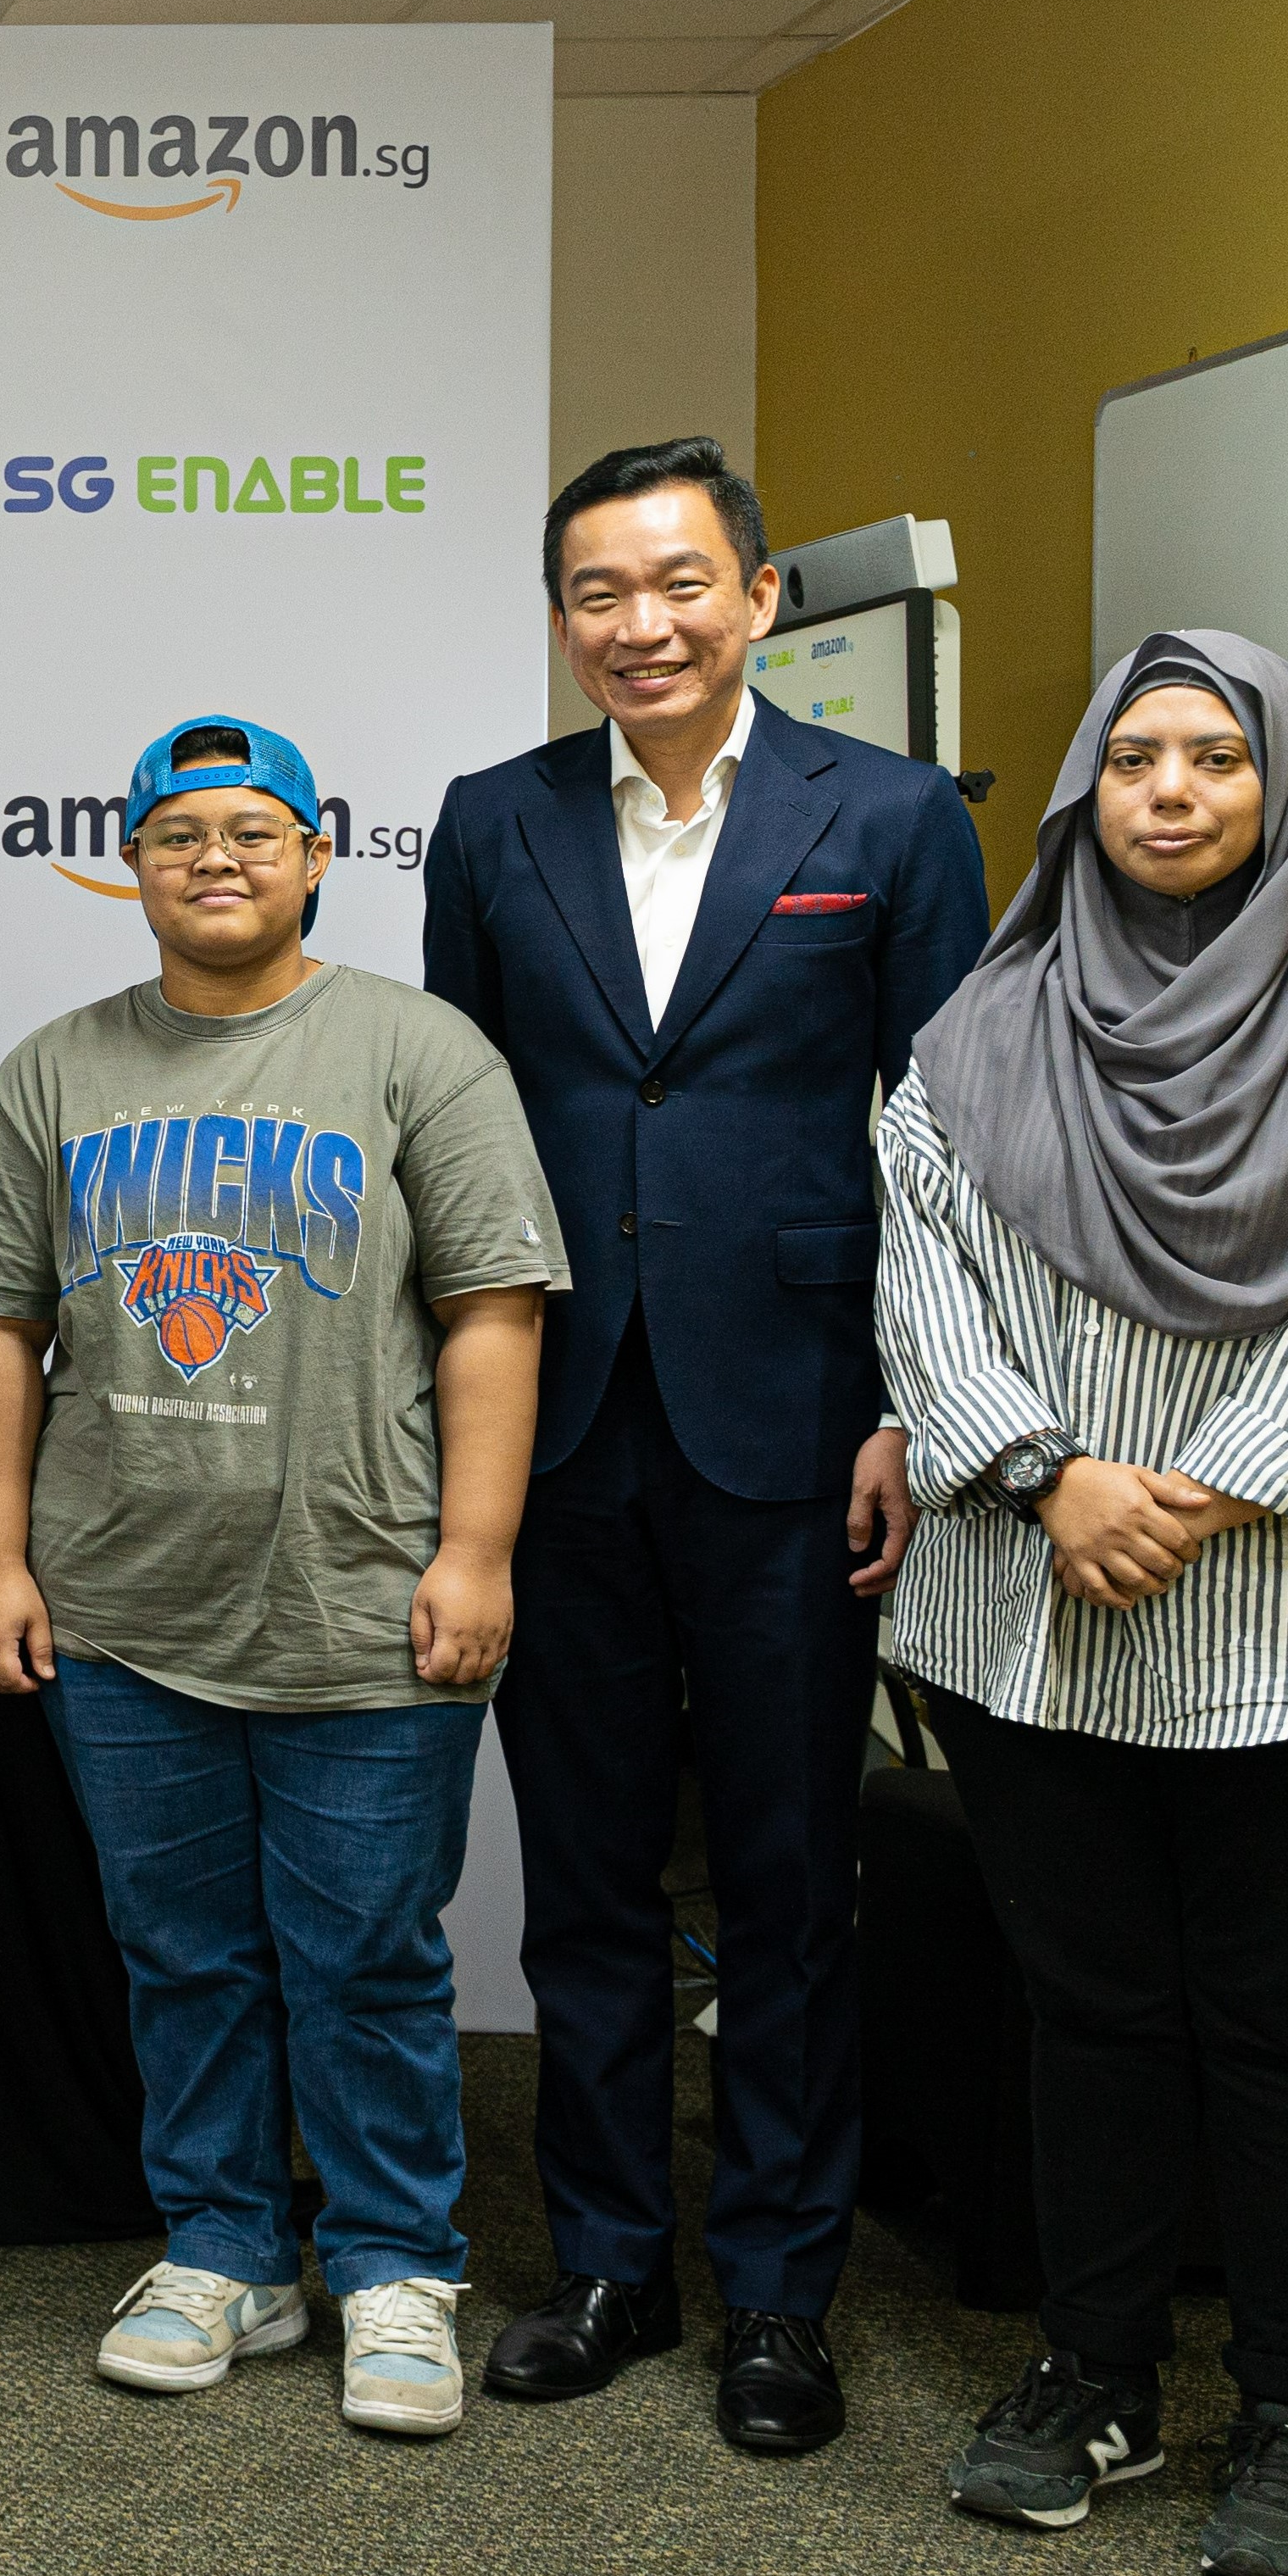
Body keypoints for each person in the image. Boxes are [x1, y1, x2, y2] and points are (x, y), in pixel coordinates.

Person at [880, 635, 1288, 2576]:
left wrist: (1204, 1486)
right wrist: (1044, 1468)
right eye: (1134, 756)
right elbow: (922, 1256)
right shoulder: (983, 1026)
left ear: (1278, 787)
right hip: (1038, 1601)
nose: (1168, 791)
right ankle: (1093, 2372)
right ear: (1084, 787)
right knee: (1086, 2013)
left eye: (1213, 759)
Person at [422, 435, 987, 2455]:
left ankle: (776, 2291)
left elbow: (949, 1142)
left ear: (755, 596)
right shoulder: (490, 829)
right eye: (594, 591)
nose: (635, 625)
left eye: (675, 583)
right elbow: (462, 1147)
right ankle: (602, 2259)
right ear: (559, 616)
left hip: (798, 1419)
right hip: (559, 1425)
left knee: (781, 1880)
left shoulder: (896, 820)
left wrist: (916, 1404)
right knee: (575, 1878)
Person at [0, 715, 561, 2438]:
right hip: (122, 1602)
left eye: (252, 831)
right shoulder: (58, 1070)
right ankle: (219, 2243)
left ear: (313, 856)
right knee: (180, 1950)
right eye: (177, 833)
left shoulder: (418, 1053)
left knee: (360, 1951)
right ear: (126, 862)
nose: (215, 858)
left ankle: (390, 2264)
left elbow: (492, 1311)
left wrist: (475, 1550)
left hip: (363, 1599)